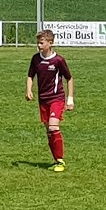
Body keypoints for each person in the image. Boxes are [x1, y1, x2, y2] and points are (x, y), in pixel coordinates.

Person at [26, 29, 75, 172]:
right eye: (38, 43)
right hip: (43, 100)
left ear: (51, 43)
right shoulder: (36, 59)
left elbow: (69, 78)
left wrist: (70, 99)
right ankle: (56, 160)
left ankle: (60, 161)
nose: (39, 45)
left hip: (56, 98)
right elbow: (30, 76)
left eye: (42, 43)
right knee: (49, 131)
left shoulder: (58, 60)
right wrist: (29, 90)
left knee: (53, 127)